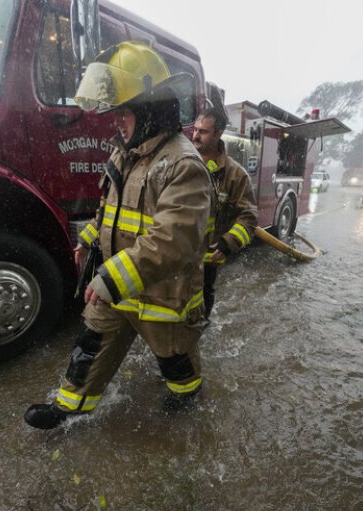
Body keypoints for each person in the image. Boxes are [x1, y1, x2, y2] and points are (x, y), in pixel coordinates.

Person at [24, 41, 212, 430]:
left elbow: (173, 239)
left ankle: (187, 396)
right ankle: (67, 408)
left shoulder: (183, 163)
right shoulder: (123, 154)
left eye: (123, 113)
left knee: (175, 360)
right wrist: (89, 238)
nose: (117, 123)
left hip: (163, 295)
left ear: (149, 110)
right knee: (90, 346)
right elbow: (110, 213)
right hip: (117, 286)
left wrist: (111, 277)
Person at [191, 108, 258, 319]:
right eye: (194, 129)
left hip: (206, 256)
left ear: (218, 134)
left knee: (203, 297)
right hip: (176, 253)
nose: (195, 135)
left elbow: (248, 217)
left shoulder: (235, 175)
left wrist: (227, 243)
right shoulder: (180, 162)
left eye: (203, 132)